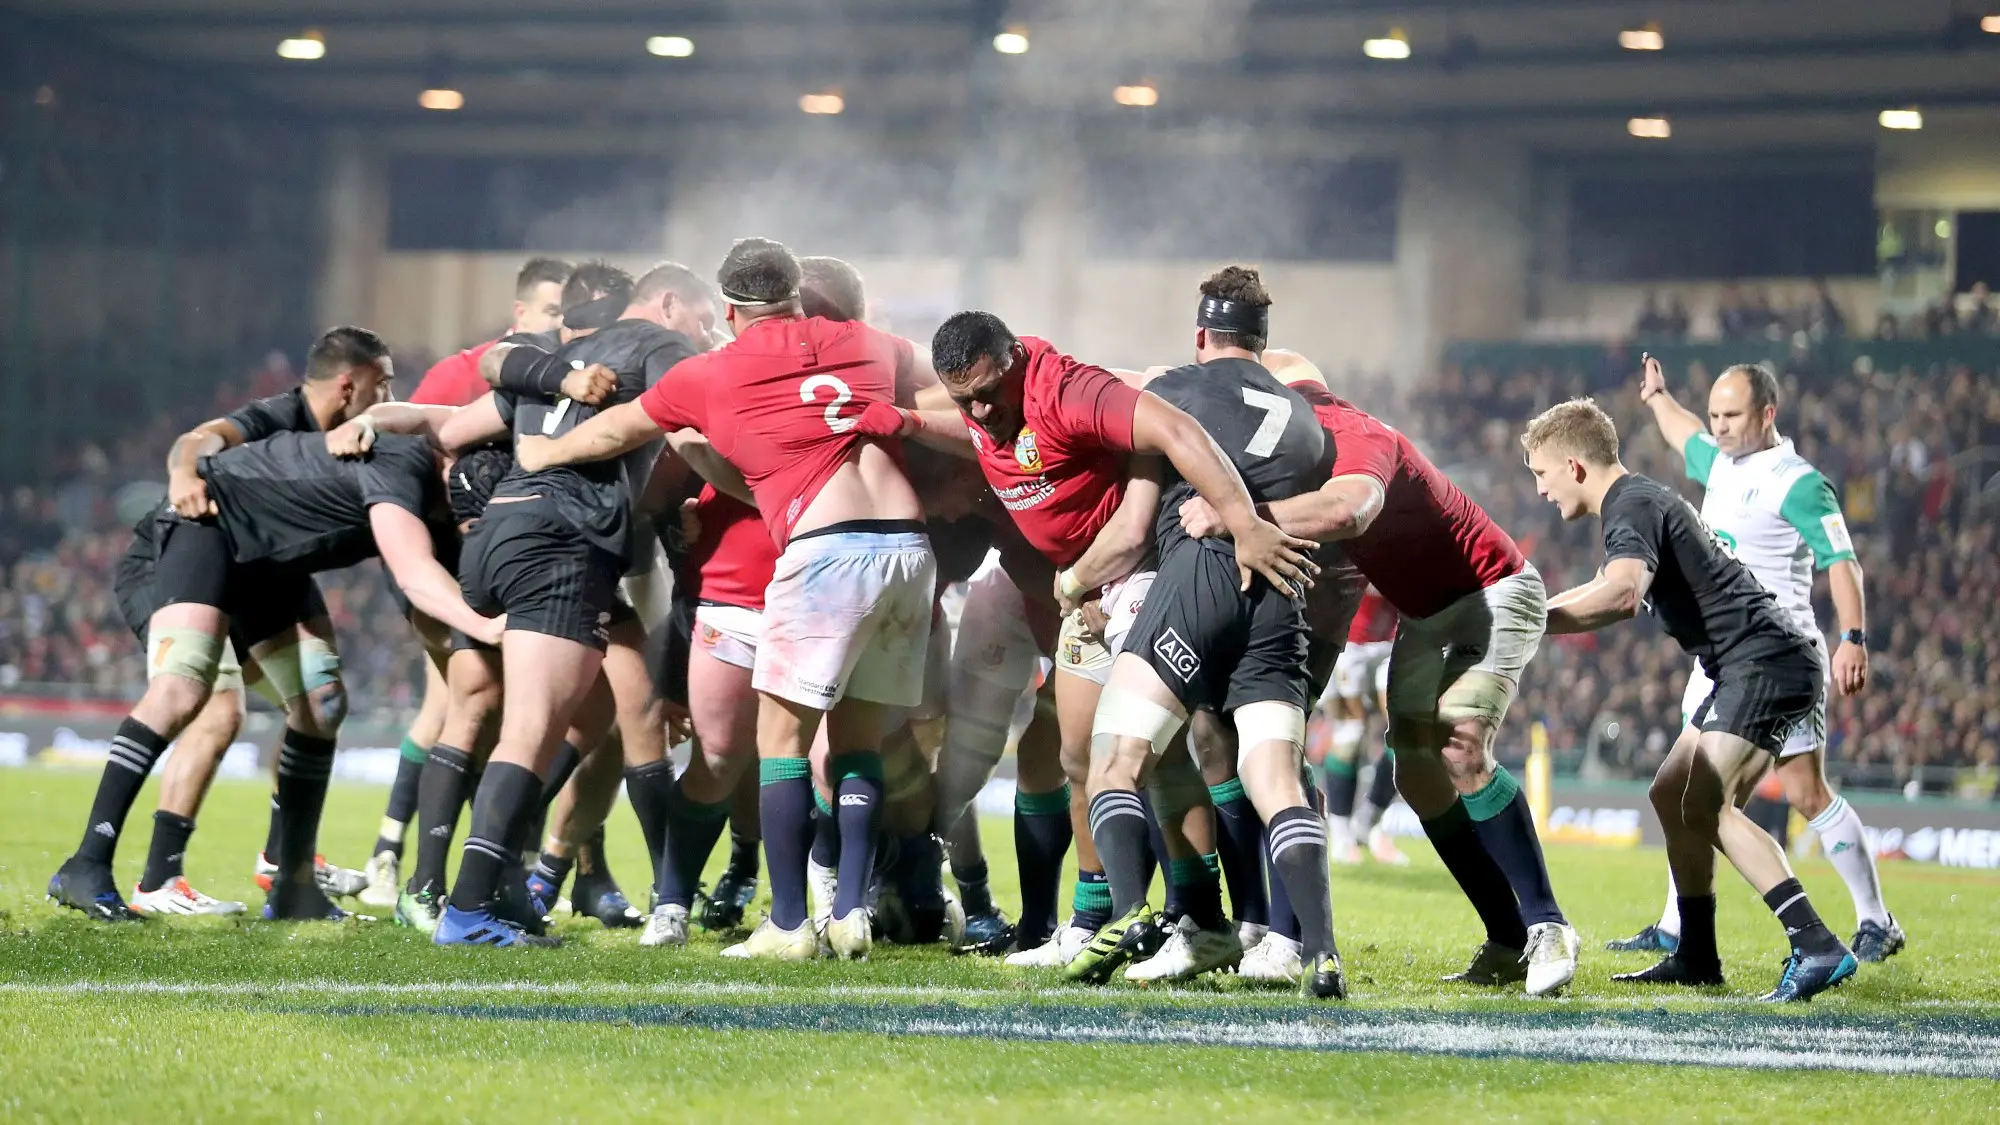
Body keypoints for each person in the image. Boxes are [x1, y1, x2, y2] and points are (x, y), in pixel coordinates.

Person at [515, 237, 938, 961]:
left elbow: (620, 426)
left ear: (732, 309)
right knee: (858, 744)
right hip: (907, 549)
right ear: (796, 295)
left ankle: (788, 924)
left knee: (780, 746)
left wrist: (544, 452)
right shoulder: (866, 341)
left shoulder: (715, 369)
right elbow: (940, 387)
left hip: (827, 548)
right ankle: (849, 912)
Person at [1181, 348, 1581, 998]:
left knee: (1460, 744)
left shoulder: (1352, 431)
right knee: (1415, 773)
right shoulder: (1295, 457)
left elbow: (1352, 510)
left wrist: (1238, 517)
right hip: (1423, 616)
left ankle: (1548, 925)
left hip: (1490, 588)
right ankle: (1507, 936)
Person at [51, 414, 500, 924]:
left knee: (322, 704)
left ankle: (294, 882)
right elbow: (415, 573)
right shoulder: (400, 465)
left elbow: (432, 619)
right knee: (185, 692)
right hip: (211, 523)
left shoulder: (437, 505)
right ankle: (89, 863)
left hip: (272, 564)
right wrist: (486, 629)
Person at [406, 261, 708, 948]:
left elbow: (453, 432)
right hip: (563, 544)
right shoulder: (661, 346)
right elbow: (692, 426)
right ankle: (469, 909)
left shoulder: (557, 357)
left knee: (583, 714)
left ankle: (500, 886)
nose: (703, 332)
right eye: (700, 318)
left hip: (498, 537)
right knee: (529, 728)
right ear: (666, 305)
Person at [47, 327, 396, 922]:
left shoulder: (367, 433)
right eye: (382, 383)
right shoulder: (277, 415)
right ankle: (111, 868)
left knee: (322, 702)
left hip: (266, 570)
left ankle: (288, 871)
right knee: (205, 703)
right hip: (183, 550)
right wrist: (185, 474)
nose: (390, 395)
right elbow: (199, 439)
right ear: (348, 384)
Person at [1524, 397, 1859, 1002]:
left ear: (1574, 466)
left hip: (1765, 660)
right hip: (1744, 663)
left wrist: (1531, 621)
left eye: (1543, 475)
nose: (1541, 490)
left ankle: (1816, 944)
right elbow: (1604, 583)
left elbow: (1622, 595)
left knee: (1706, 804)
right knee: (1671, 793)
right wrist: (1533, 613)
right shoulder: (1636, 500)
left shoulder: (1629, 505)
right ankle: (1697, 954)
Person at [1608, 356, 1900, 961]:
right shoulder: (1720, 462)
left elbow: (1841, 560)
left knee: (1804, 791)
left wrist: (1853, 636)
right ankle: (1676, 925)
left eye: (1732, 415)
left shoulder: (1798, 482)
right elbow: (1685, 432)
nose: (1719, 426)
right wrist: (1658, 396)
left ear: (1767, 414)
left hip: (1776, 658)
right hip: (1719, 657)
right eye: (1715, 414)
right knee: (1693, 791)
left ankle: (1875, 921)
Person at [359, 256, 573, 910]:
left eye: (569, 314)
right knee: (465, 704)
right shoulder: (464, 370)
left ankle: (479, 865)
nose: (561, 325)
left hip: (511, 555)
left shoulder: (568, 373)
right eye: (552, 311)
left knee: (508, 710)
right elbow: (414, 446)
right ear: (521, 313)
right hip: (452, 559)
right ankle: (404, 862)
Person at [1314, 583, 1407, 866]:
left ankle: (1368, 822)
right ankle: (1341, 833)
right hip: (1346, 642)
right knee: (1350, 733)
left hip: (1391, 642)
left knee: (1406, 734)